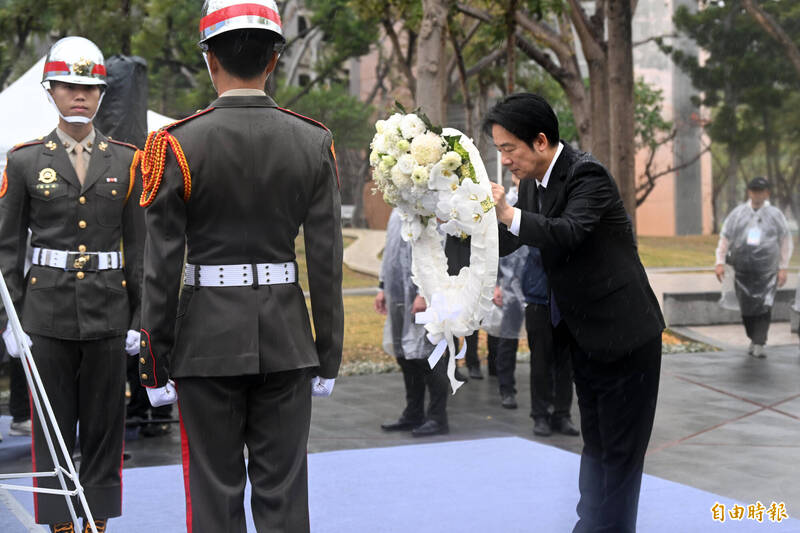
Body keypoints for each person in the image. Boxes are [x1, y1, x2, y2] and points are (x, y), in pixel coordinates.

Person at [137, 1, 343, 531]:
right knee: (283, 497)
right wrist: (329, 355)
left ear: (210, 60)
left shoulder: (177, 144)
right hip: (288, 340)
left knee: (216, 494)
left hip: (206, 341)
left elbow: (160, 267)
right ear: (274, 58)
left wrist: (155, 363)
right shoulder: (313, 141)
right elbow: (325, 263)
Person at [488, 93, 664, 533]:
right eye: (499, 150)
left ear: (542, 141)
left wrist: (508, 212)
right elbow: (511, 238)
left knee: (621, 453)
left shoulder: (588, 176)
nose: (505, 159)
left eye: (510, 149)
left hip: (626, 336)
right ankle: (589, 525)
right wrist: (464, 216)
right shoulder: (532, 181)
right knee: (597, 444)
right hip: (583, 336)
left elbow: (566, 233)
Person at [0, 36, 144, 533]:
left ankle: (97, 520)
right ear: (50, 91)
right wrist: (10, 321)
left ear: (102, 94)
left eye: (89, 87)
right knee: (52, 427)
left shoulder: (127, 161)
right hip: (47, 311)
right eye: (68, 86)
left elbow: (140, 249)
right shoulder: (23, 162)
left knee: (107, 426)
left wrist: (140, 318)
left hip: (108, 310)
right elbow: (6, 248)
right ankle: (61, 522)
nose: (79, 95)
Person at [376, 210, 450, 437]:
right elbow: (390, 249)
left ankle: (438, 418)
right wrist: (381, 287)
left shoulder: (428, 206)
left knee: (429, 354)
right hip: (397, 291)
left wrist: (423, 294)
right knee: (405, 354)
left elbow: (436, 252)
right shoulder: (396, 210)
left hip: (423, 295)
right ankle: (413, 412)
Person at [715, 177, 792, 359]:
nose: (757, 194)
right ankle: (753, 337)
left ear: (767, 193)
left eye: (761, 190)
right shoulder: (738, 214)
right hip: (742, 271)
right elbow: (725, 237)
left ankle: (759, 342)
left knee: (764, 306)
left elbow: (785, 240)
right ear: (749, 192)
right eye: (754, 190)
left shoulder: (775, 215)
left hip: (767, 272)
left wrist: (783, 267)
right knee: (747, 309)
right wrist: (719, 262)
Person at [521, 247, 579, 437]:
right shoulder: (537, 218)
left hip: (567, 301)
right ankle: (540, 415)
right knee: (540, 363)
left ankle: (562, 414)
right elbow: (541, 251)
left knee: (565, 364)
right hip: (539, 300)